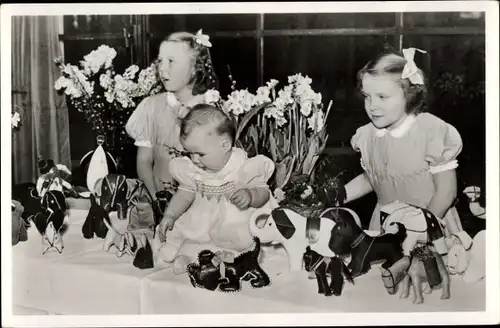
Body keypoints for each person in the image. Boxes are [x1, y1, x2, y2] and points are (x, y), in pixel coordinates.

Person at [344, 47, 470, 244]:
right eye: (367, 96)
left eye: (382, 97)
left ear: (409, 95)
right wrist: (338, 196)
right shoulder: (368, 135)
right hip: (387, 224)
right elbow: (375, 177)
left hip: (431, 223)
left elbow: (446, 192)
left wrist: (423, 230)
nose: (372, 105)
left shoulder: (430, 132)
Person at [156, 104, 277, 270]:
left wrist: (251, 196)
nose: (195, 160)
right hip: (203, 219)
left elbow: (263, 192)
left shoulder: (243, 167)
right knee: (189, 234)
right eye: (190, 153)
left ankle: (228, 258)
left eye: (200, 154)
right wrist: (170, 214)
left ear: (225, 145)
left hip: (233, 221)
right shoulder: (195, 169)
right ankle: (190, 256)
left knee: (238, 237)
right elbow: (185, 193)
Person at [125, 30, 220, 225]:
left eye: (171, 61)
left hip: (202, 208)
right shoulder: (151, 107)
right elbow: (144, 162)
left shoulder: (212, 108)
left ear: (195, 68)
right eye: (160, 61)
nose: (162, 68)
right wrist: (156, 200)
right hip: (158, 201)